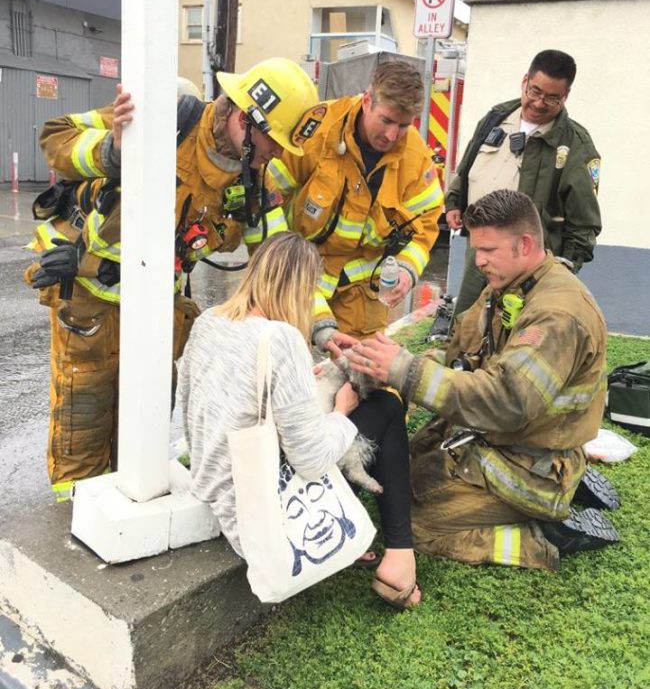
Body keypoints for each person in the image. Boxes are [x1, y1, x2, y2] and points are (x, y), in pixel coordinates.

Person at [23, 58, 319, 501]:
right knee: (83, 413)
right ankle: (76, 516)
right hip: (87, 298)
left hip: (158, 309)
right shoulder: (166, 120)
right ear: (244, 119)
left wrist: (320, 328)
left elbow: (280, 264)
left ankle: (129, 502)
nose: (276, 155)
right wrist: (115, 150)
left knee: (146, 417)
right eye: (272, 142)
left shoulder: (254, 181)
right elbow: (55, 136)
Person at [348, 189, 619, 572]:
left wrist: (406, 372)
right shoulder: (508, 287)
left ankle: (541, 536)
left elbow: (508, 400)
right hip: (494, 441)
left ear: (524, 244)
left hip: (526, 467)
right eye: (477, 249)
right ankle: (567, 484)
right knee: (399, 479)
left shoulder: (558, 315)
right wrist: (390, 369)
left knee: (411, 524)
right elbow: (459, 354)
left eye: (488, 250)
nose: (479, 262)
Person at [176, 231, 421, 609]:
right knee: (385, 407)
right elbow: (311, 459)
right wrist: (342, 410)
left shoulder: (210, 320)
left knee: (349, 411)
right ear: (301, 288)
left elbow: (192, 404)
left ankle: (390, 553)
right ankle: (399, 560)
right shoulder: (282, 339)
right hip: (259, 514)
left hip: (213, 486)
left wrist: (304, 386)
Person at [267, 60, 444, 352]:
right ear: (366, 101)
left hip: (361, 297)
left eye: (404, 125)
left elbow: (426, 223)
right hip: (297, 278)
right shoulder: (319, 131)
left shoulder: (415, 158)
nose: (392, 135)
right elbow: (268, 198)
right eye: (386, 121)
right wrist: (282, 268)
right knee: (281, 368)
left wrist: (406, 269)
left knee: (360, 377)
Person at [446, 49, 601, 316]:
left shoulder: (576, 144)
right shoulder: (496, 117)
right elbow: (468, 167)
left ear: (566, 96)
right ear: (525, 81)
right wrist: (453, 202)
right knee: (466, 327)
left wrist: (563, 269)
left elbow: (584, 223)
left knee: (513, 335)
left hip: (527, 265)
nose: (540, 103)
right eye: (535, 92)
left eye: (552, 98)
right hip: (480, 251)